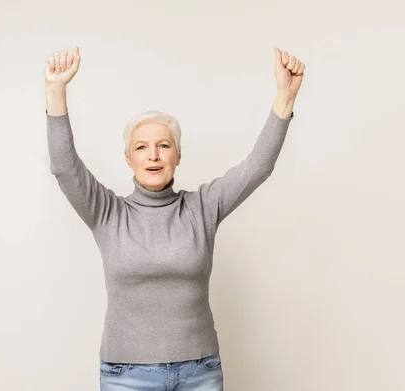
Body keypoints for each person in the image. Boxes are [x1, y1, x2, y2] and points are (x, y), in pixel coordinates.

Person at [44, 46, 305, 391]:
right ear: (128, 158)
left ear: (178, 155)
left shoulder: (202, 208)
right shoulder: (107, 213)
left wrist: (285, 96)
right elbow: (65, 168)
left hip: (200, 372)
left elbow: (257, 167)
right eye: (141, 147)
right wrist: (56, 91)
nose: (153, 155)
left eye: (164, 145)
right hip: (127, 375)